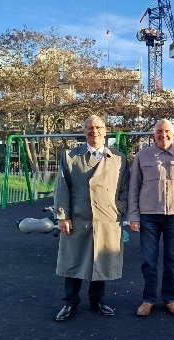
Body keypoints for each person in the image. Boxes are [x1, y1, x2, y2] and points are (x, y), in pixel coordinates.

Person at [53, 115, 129, 322]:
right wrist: (63, 216)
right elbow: (62, 188)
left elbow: (124, 188)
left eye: (98, 127)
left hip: (106, 217)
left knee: (101, 259)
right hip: (79, 217)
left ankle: (98, 301)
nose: (93, 131)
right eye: (89, 127)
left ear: (105, 131)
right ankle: (70, 303)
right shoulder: (70, 156)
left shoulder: (118, 158)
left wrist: (118, 208)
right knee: (73, 260)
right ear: (84, 131)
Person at [127, 119, 174, 317]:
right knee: (149, 261)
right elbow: (133, 188)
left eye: (167, 131)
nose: (163, 135)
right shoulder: (142, 156)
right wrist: (133, 217)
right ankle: (148, 300)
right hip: (148, 216)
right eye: (159, 131)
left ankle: (169, 299)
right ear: (154, 134)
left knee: (172, 260)